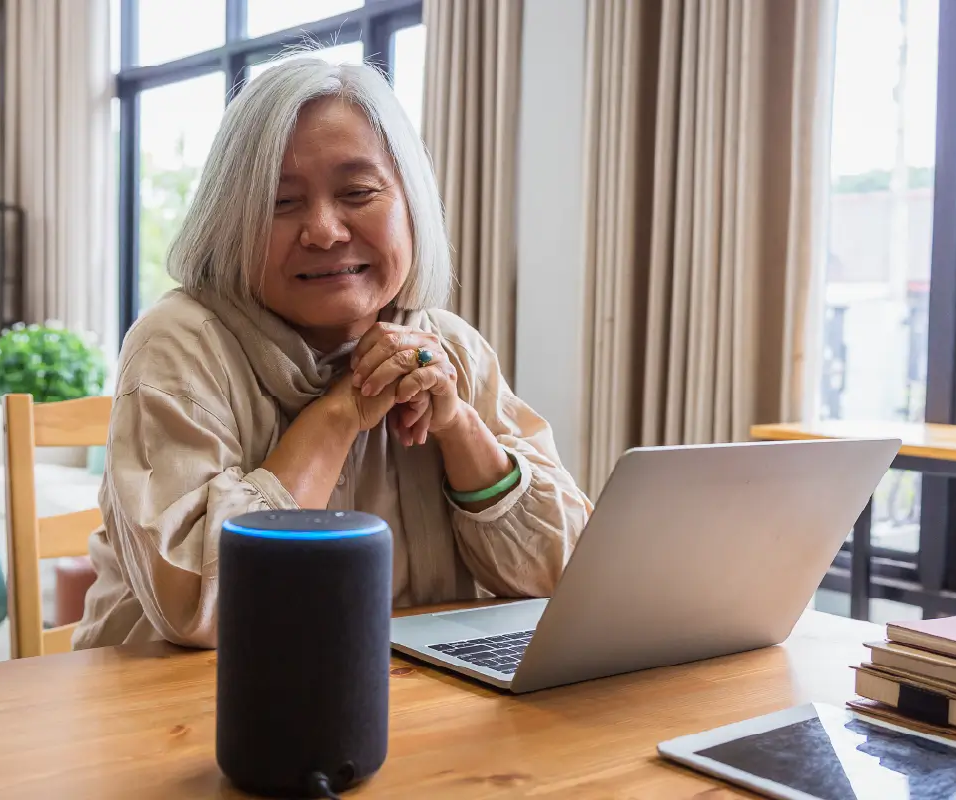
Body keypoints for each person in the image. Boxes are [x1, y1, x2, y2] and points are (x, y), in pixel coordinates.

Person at [72, 57, 591, 649]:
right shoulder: (181, 344)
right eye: (280, 201)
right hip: (179, 715)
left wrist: (458, 428)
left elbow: (566, 576)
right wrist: (343, 410)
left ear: (411, 203)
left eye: (358, 192)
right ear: (228, 221)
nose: (323, 230)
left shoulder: (448, 347)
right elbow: (205, 610)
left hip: (411, 704)